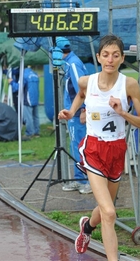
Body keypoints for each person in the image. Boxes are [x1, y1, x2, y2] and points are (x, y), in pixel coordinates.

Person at [58, 34, 140, 261]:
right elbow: (80, 95)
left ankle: (87, 227)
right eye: (106, 55)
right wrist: (71, 111)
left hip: (117, 150)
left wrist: (123, 113)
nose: (110, 59)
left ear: (121, 58)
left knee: (105, 207)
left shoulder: (129, 85)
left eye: (115, 55)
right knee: (109, 212)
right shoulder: (87, 82)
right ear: (98, 57)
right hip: (94, 149)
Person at [56, 37, 91, 194]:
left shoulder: (73, 64)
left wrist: (83, 110)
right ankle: (79, 179)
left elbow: (81, 88)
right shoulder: (70, 62)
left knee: (81, 147)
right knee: (75, 146)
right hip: (74, 113)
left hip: (77, 114)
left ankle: (88, 181)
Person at [22, 66, 40, 139]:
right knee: (36, 117)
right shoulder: (35, 74)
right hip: (35, 98)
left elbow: (18, 87)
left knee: (28, 117)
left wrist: (11, 82)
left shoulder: (24, 75)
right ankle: (36, 133)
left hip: (28, 99)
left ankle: (29, 133)